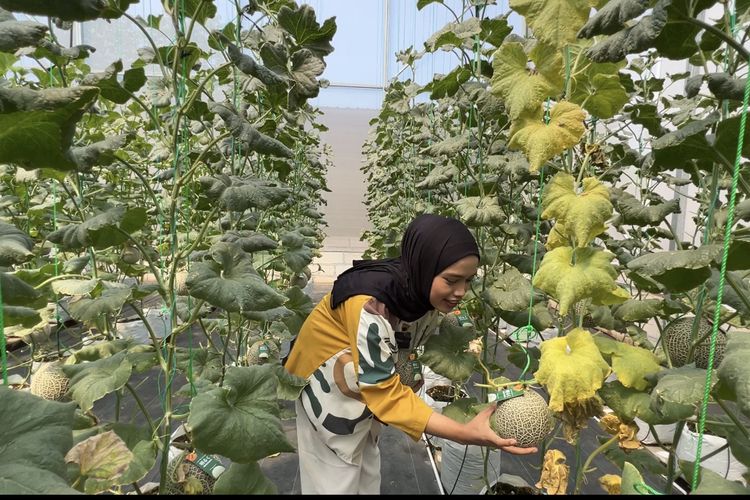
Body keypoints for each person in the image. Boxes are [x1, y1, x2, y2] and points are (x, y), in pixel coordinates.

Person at [283, 213, 537, 494]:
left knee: (366, 469)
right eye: (451, 280)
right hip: (327, 392)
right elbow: (385, 395)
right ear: (425, 268)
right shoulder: (370, 305)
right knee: (334, 480)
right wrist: (465, 433)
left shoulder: (418, 288)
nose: (461, 291)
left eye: (468, 280)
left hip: (359, 387)